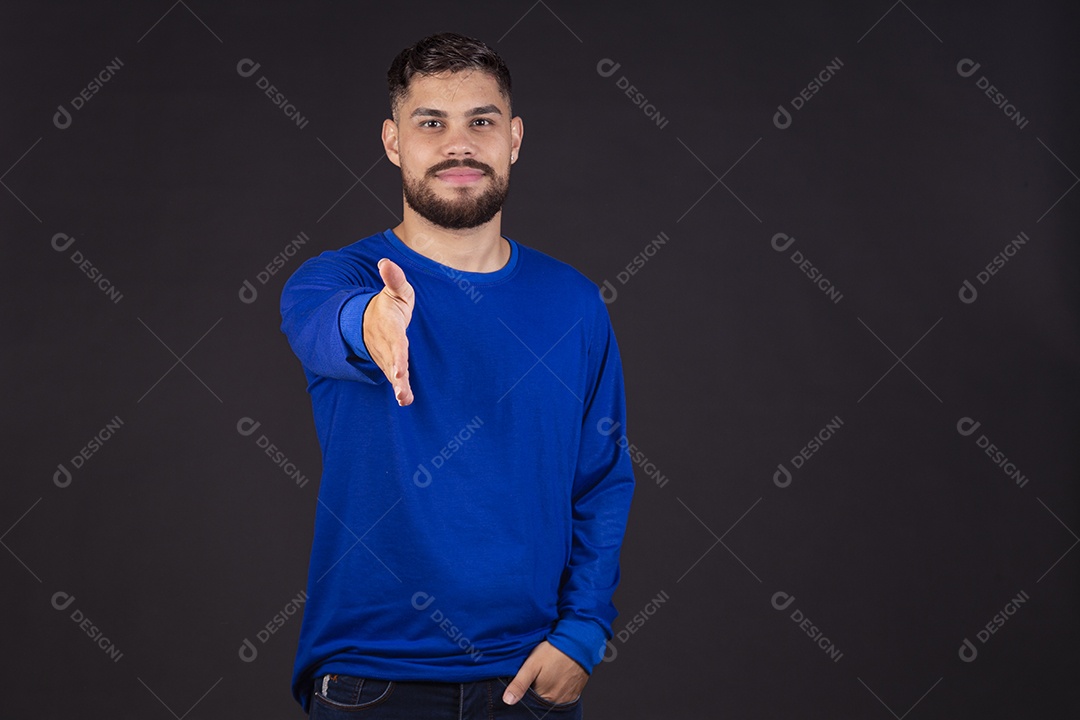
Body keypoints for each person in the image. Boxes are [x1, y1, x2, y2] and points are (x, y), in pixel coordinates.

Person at [280, 32, 635, 719]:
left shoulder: (574, 303)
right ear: (393, 142)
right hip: (369, 682)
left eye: (482, 121)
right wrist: (372, 324)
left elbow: (602, 479)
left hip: (529, 683)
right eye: (431, 123)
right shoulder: (336, 280)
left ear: (515, 138)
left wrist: (585, 630)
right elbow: (330, 330)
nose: (459, 144)